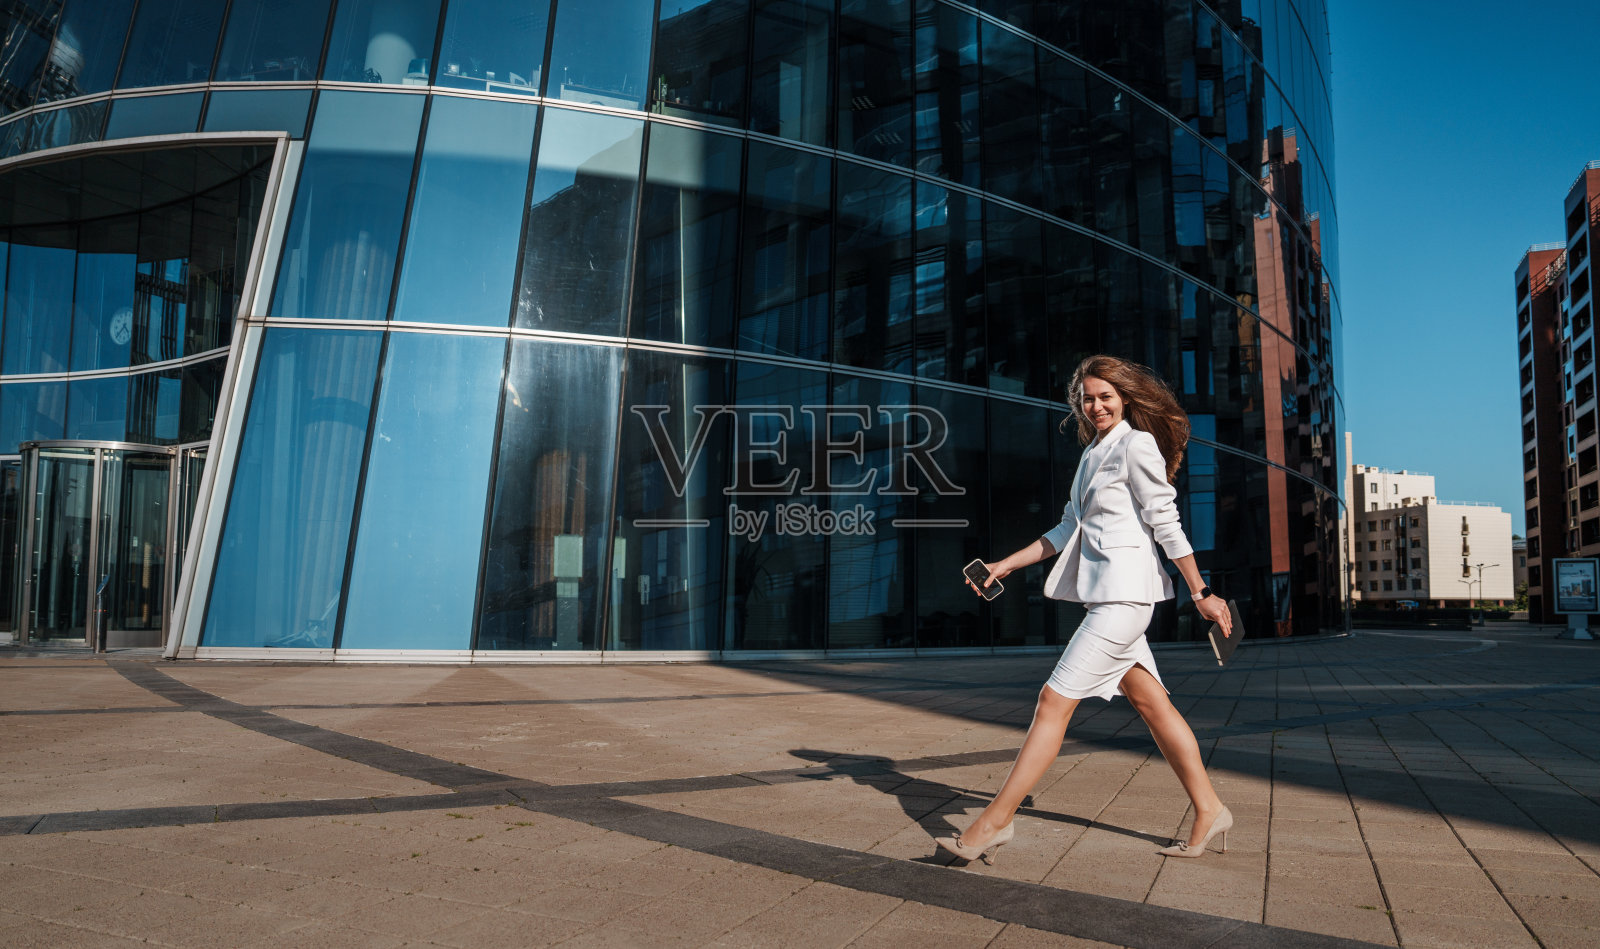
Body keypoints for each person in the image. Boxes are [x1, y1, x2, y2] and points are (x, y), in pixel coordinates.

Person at [934, 354, 1234, 864]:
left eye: (1106, 397)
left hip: (1124, 599)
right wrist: (1004, 565)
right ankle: (1210, 809)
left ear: (1125, 398)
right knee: (1153, 705)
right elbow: (1065, 529)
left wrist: (1200, 592)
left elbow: (1167, 523)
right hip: (1108, 597)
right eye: (1088, 398)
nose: (1096, 405)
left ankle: (993, 823)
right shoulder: (1094, 452)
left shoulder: (1136, 445)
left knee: (1053, 701)